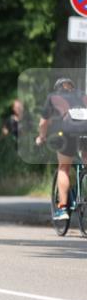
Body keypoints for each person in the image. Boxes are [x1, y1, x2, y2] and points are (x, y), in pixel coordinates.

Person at [36, 77, 87, 220]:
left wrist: (41, 137)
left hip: (69, 131)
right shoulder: (83, 95)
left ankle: (62, 208)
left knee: (63, 168)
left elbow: (43, 123)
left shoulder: (53, 97)